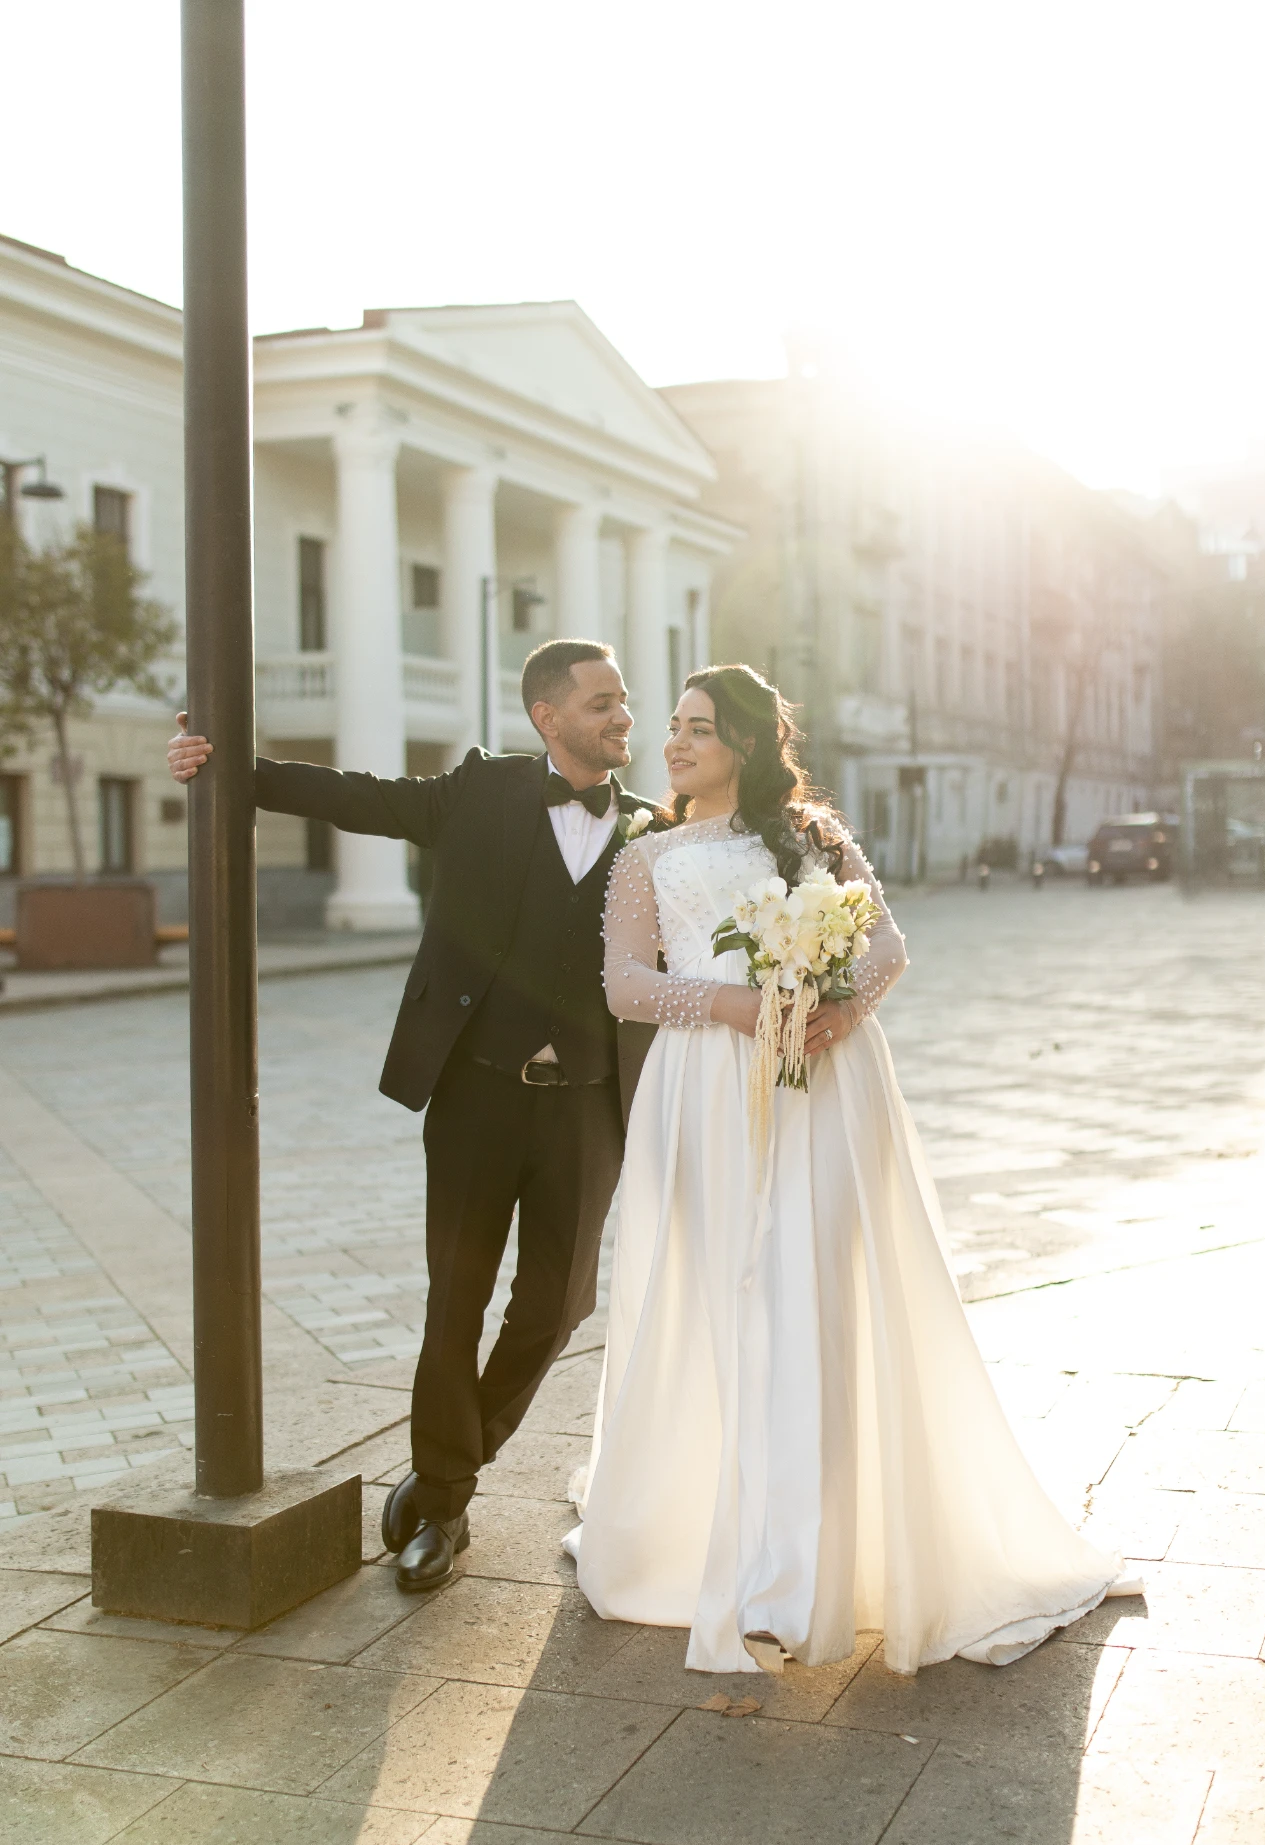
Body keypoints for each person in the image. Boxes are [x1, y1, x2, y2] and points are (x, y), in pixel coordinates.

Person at [563, 664, 1137, 1675]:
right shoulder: (646, 856)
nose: (674, 743)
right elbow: (621, 986)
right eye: (672, 727)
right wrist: (734, 1005)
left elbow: (885, 947)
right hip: (702, 1090)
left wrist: (838, 1009)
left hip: (823, 1085)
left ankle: (816, 1555)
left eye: (698, 727)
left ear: (744, 740)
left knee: (811, 1294)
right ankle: (724, 1530)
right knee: (715, 1298)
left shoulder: (815, 838)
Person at [168, 639, 660, 1595]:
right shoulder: (479, 793)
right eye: (603, 702)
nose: (622, 717)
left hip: (591, 1107)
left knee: (561, 1307)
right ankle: (444, 1502)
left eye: (625, 701)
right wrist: (230, 767)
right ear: (547, 717)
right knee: (455, 1301)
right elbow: (359, 796)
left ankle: (443, 1467)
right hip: (477, 1095)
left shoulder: (652, 829)